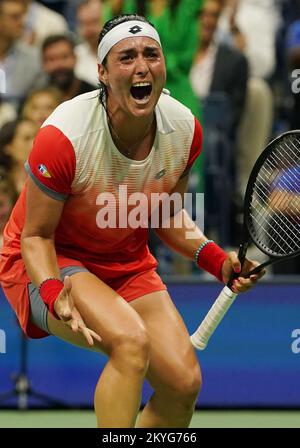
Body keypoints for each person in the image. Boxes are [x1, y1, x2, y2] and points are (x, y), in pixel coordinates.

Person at [0, 14, 264, 428]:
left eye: (151, 54)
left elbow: (163, 213)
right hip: (47, 261)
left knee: (182, 383)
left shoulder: (183, 131)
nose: (141, 66)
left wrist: (217, 260)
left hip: (124, 262)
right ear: (102, 73)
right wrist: (52, 292)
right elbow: (36, 236)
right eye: (126, 57)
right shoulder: (65, 137)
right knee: (129, 342)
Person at [41, 34, 95, 102]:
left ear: (75, 58)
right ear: (43, 63)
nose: (59, 65)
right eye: (51, 59)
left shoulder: (94, 96)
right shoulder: (36, 100)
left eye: (64, 57)